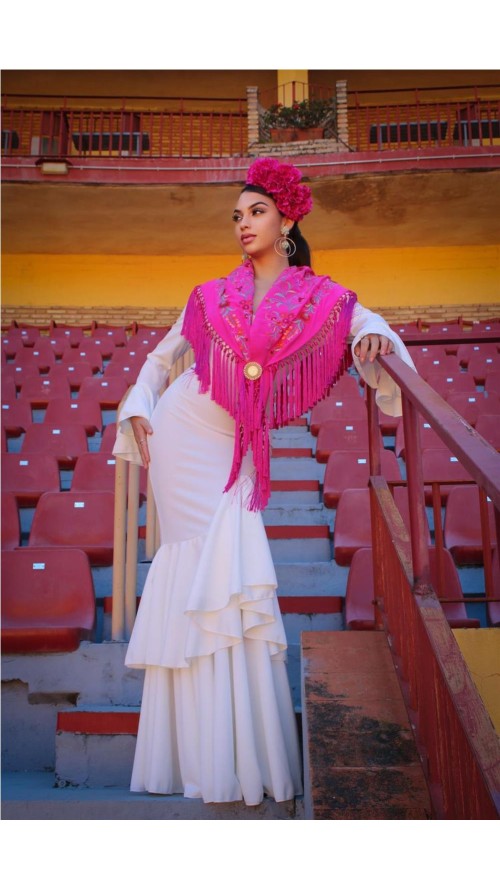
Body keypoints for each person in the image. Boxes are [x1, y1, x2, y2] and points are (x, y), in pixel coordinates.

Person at [112, 157, 416, 806]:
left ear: (286, 220)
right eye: (236, 216)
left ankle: (236, 759)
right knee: (195, 580)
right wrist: (137, 400)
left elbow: (366, 321)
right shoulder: (210, 295)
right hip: (179, 433)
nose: (242, 224)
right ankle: (202, 757)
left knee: (227, 582)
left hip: (230, 447)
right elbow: (165, 356)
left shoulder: (319, 296)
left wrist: (375, 343)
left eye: (255, 212)